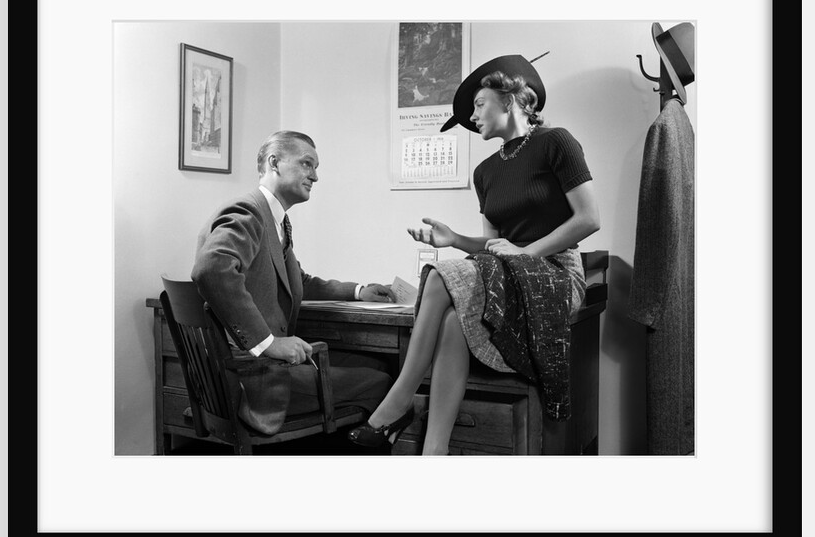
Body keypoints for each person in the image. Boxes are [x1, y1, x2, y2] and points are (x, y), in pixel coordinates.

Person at [348, 54, 601, 455]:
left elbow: (589, 219)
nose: (473, 116)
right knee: (452, 321)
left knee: (438, 275)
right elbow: (493, 249)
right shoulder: (485, 172)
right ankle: (435, 451)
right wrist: (455, 239)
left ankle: (398, 402)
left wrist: (526, 252)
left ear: (510, 99)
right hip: (508, 273)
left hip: (556, 273)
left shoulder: (556, 142)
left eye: (479, 104)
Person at [192, 129, 396, 439]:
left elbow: (296, 281)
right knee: (385, 381)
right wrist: (268, 343)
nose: (315, 176)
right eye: (306, 164)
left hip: (255, 369)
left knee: (378, 364)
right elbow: (211, 268)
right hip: (254, 379)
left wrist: (358, 291)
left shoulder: (275, 219)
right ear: (274, 163)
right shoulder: (249, 212)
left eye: (315, 167)